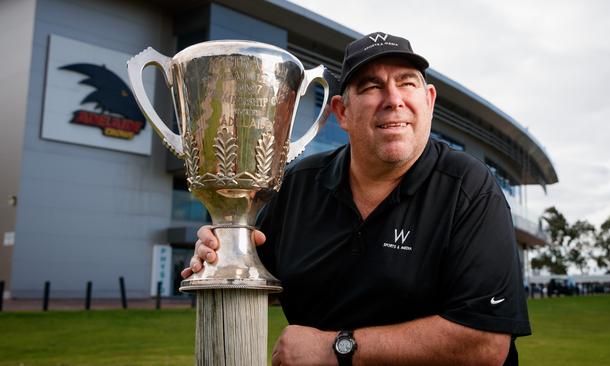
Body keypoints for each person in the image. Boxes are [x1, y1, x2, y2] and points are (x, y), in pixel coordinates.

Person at [182, 32, 531, 365]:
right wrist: (225, 250)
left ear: (429, 101)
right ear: (341, 112)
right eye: (371, 86)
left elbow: (486, 343)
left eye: (407, 83)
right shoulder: (300, 185)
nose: (393, 99)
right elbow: (265, 275)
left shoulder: (468, 188)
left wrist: (335, 349)